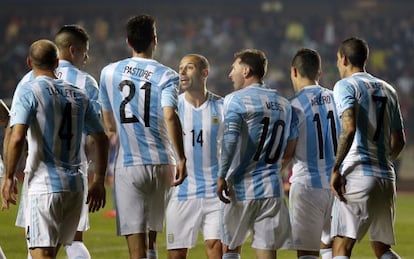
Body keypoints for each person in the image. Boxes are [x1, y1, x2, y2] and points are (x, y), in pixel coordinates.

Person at [1, 39, 108, 259]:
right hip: (76, 186)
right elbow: (101, 137)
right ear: (57, 62)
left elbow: (17, 135)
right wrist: (98, 180)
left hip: (44, 186)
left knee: (42, 254)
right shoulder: (78, 93)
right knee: (65, 246)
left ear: (29, 62)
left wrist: (9, 176)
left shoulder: (29, 90)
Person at [99, 14, 187, 259]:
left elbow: (109, 124)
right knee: (152, 241)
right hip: (162, 162)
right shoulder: (168, 75)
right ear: (155, 40)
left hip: (129, 164)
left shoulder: (108, 73)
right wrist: (181, 158)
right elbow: (170, 116)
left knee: (136, 248)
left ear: (128, 41)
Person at [217, 48, 297, 259]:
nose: (229, 74)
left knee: (230, 249)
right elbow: (290, 149)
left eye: (233, 68)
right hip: (272, 189)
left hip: (242, 187)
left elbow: (230, 140)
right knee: (266, 252)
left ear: (246, 71)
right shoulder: (284, 105)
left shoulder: (235, 100)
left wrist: (221, 175)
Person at [330, 37, 406, 259]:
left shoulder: (345, 85)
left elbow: (349, 127)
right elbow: (399, 141)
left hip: (358, 173)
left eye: (337, 59)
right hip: (386, 176)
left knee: (341, 246)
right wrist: (381, 161)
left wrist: (336, 168)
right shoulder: (388, 89)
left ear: (343, 58)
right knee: (382, 248)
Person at [282, 48, 341, 259]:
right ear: (320, 73)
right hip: (336, 186)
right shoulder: (337, 98)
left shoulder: (292, 106)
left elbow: (287, 153)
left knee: (307, 253)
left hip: (307, 187)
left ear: (294, 71)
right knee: (332, 248)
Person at [166, 54, 223, 259]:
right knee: (176, 255)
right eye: (180, 67)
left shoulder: (223, 107)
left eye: (189, 68)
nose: (181, 72)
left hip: (215, 193)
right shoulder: (172, 108)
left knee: (216, 248)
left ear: (204, 73)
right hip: (182, 191)